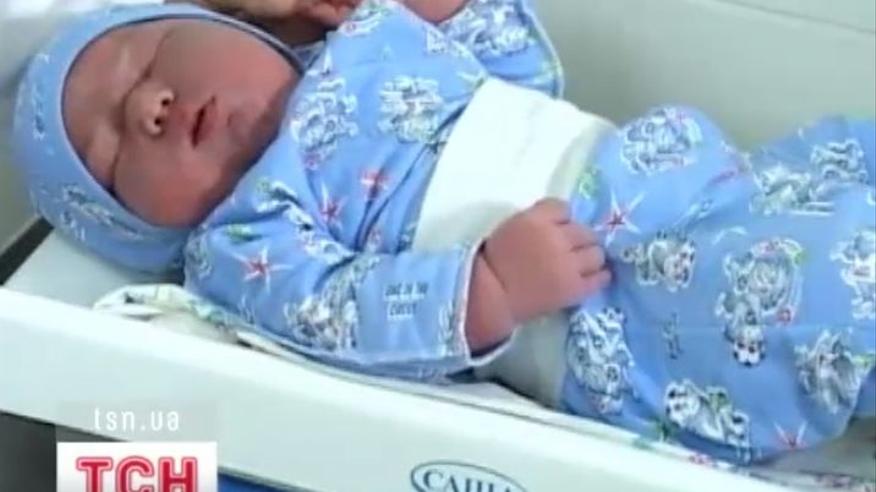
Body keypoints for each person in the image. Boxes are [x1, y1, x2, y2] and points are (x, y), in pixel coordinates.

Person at [12, 0, 875, 463]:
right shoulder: (243, 241)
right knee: (814, 299)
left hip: (675, 183)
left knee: (828, 191)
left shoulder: (367, 36)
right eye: (112, 150)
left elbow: (521, 61)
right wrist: (490, 286)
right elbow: (344, 316)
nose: (150, 104)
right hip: (615, 304)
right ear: (143, 225)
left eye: (152, 55)